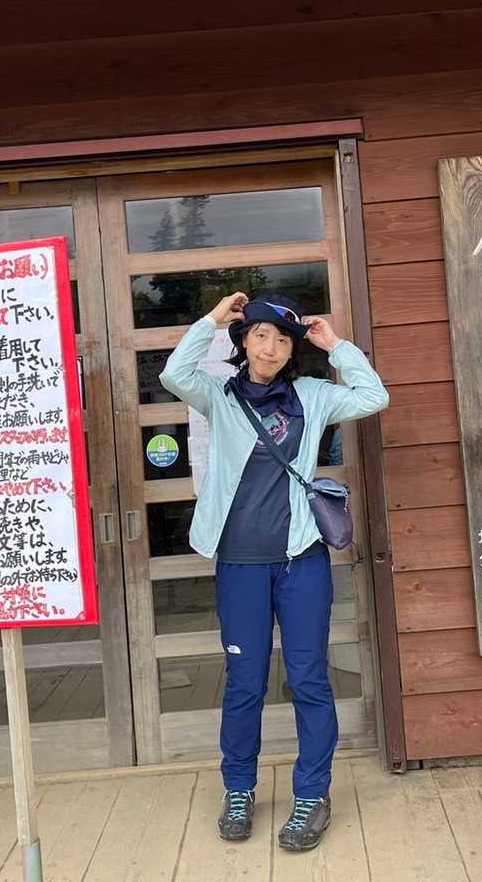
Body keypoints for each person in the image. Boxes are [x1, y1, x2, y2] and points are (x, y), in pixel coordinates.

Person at [159, 290, 389, 852]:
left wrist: (334, 345)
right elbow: (173, 373)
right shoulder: (220, 395)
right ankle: (238, 788)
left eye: (282, 339)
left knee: (308, 677)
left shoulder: (312, 395)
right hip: (240, 564)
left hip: (300, 560)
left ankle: (312, 793)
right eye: (260, 335)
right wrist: (213, 319)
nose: (270, 347)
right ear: (243, 342)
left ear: (292, 350)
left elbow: (373, 395)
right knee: (244, 682)